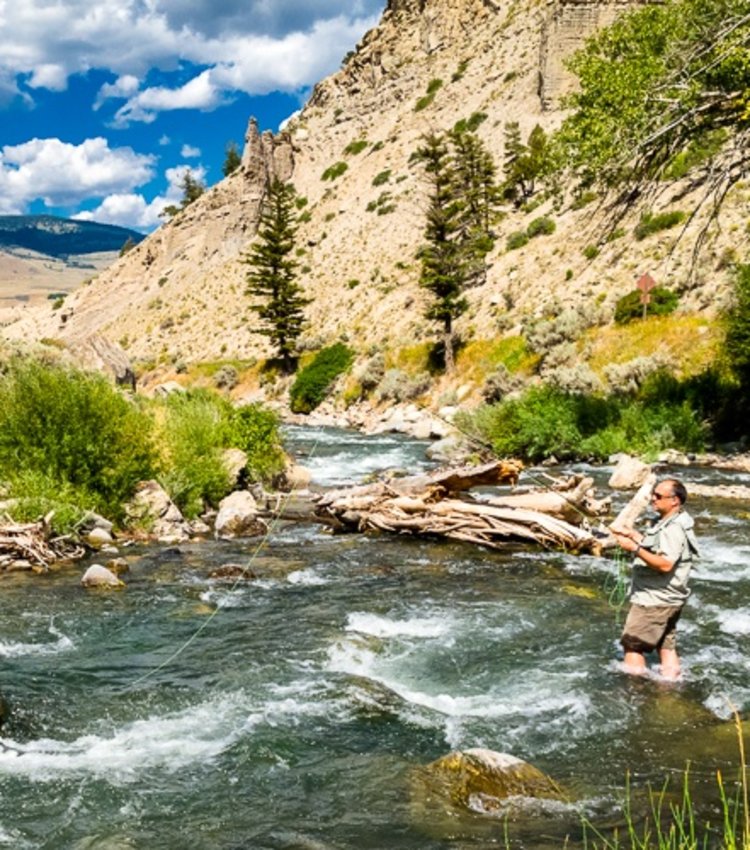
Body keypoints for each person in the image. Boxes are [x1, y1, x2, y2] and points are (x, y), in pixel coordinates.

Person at [611, 478, 699, 680]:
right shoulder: (674, 521)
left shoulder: (673, 528)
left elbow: (666, 564)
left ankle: (635, 690)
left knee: (633, 645)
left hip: (654, 600)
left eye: (658, 496)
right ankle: (670, 687)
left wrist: (634, 548)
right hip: (669, 600)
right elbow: (661, 548)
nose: (653, 499)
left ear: (675, 500)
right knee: (665, 645)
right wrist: (634, 535)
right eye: (653, 494)